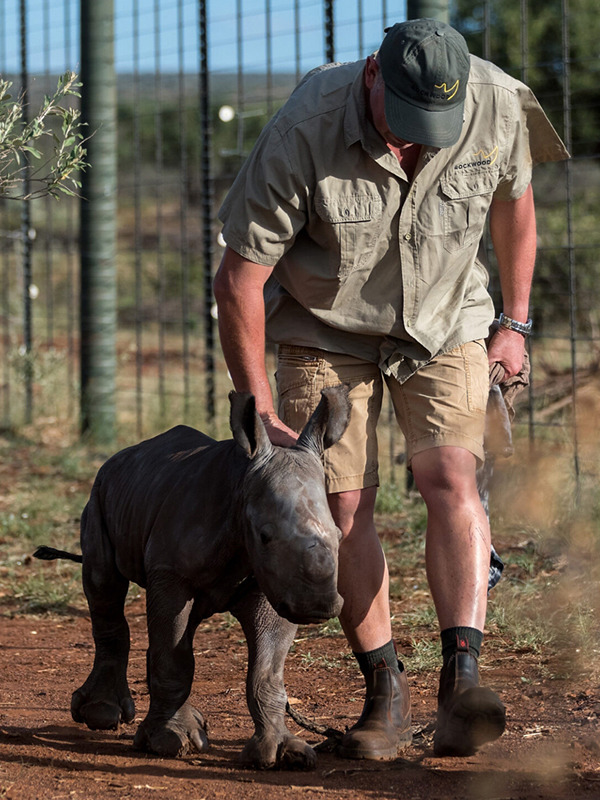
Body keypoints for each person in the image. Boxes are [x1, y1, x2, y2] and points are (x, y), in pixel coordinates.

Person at [213, 18, 568, 759]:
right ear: (372, 73)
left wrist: (514, 322)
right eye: (404, 123)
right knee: (343, 504)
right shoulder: (306, 125)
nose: (416, 142)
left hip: (448, 319)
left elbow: (515, 205)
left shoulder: (499, 103)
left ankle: (461, 679)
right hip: (324, 324)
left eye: (433, 128)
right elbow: (239, 278)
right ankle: (385, 693)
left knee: (451, 475)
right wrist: (263, 410)